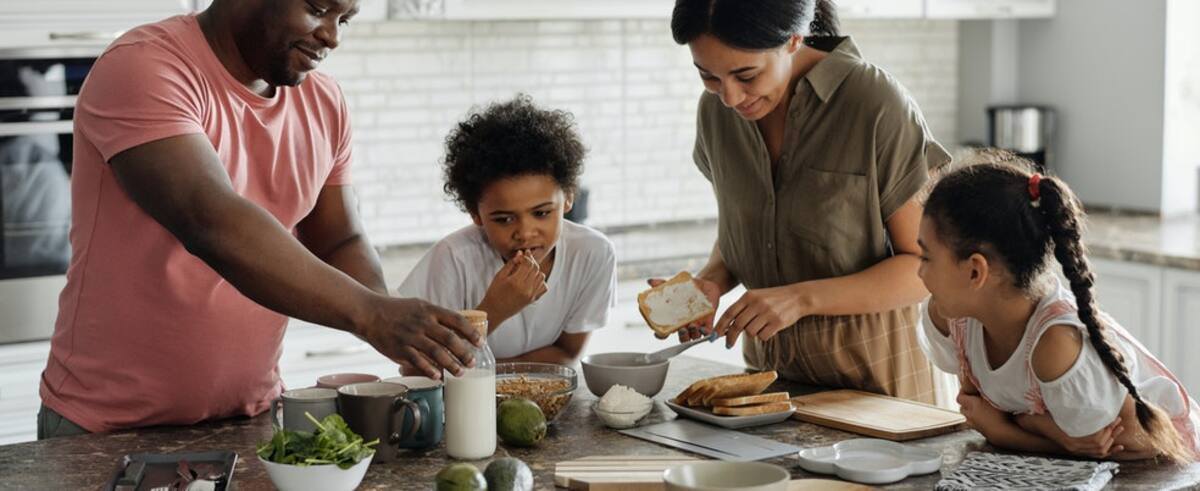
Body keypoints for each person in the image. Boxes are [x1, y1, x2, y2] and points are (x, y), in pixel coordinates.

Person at [38, 0, 480, 439]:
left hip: (249, 418)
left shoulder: (323, 102)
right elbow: (210, 221)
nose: (333, 35)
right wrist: (371, 315)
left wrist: (394, 320)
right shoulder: (143, 66)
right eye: (317, 8)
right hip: (108, 427)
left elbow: (339, 238)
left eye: (343, 19)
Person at [663, 0, 950, 403]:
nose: (729, 97)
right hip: (772, 389)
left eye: (746, 74)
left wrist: (800, 299)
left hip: (880, 390)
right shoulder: (716, 114)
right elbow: (747, 229)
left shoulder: (874, 103)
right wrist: (711, 282)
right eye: (708, 77)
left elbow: (925, 266)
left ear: (794, 40)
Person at [917, 156, 1199, 462]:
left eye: (926, 257)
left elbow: (1123, 445)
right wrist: (1045, 431)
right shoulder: (955, 318)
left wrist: (1012, 430)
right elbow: (978, 412)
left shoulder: (1056, 345)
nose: (919, 272)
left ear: (975, 272)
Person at [398, 95, 616, 365]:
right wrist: (494, 310)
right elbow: (415, 368)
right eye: (503, 219)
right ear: (475, 213)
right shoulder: (453, 259)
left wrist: (493, 376)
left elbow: (567, 353)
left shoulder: (593, 253)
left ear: (569, 197)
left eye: (541, 213)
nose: (525, 232)